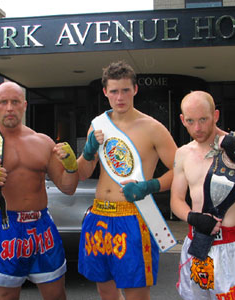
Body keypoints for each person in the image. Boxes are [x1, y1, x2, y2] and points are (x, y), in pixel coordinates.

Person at [0, 81, 79, 300]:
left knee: (56, 294)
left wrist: (72, 167)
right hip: (4, 224)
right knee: (7, 296)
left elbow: (68, 187)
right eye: (3, 102)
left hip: (41, 225)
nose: (9, 107)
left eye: (15, 102)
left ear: (24, 105)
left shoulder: (42, 141)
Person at [76, 61, 177, 300]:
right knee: (105, 290)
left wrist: (150, 186)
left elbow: (181, 170)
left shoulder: (153, 128)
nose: (119, 97)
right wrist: (89, 152)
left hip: (135, 215)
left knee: (136, 292)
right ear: (105, 93)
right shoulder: (97, 125)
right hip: (99, 214)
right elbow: (82, 173)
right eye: (114, 91)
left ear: (135, 90)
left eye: (125, 90)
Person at [170, 91, 235, 300]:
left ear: (215, 115)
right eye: (190, 121)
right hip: (197, 245)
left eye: (203, 120)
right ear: (182, 120)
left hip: (231, 246)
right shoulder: (182, 153)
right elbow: (176, 200)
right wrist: (192, 217)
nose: (197, 128)